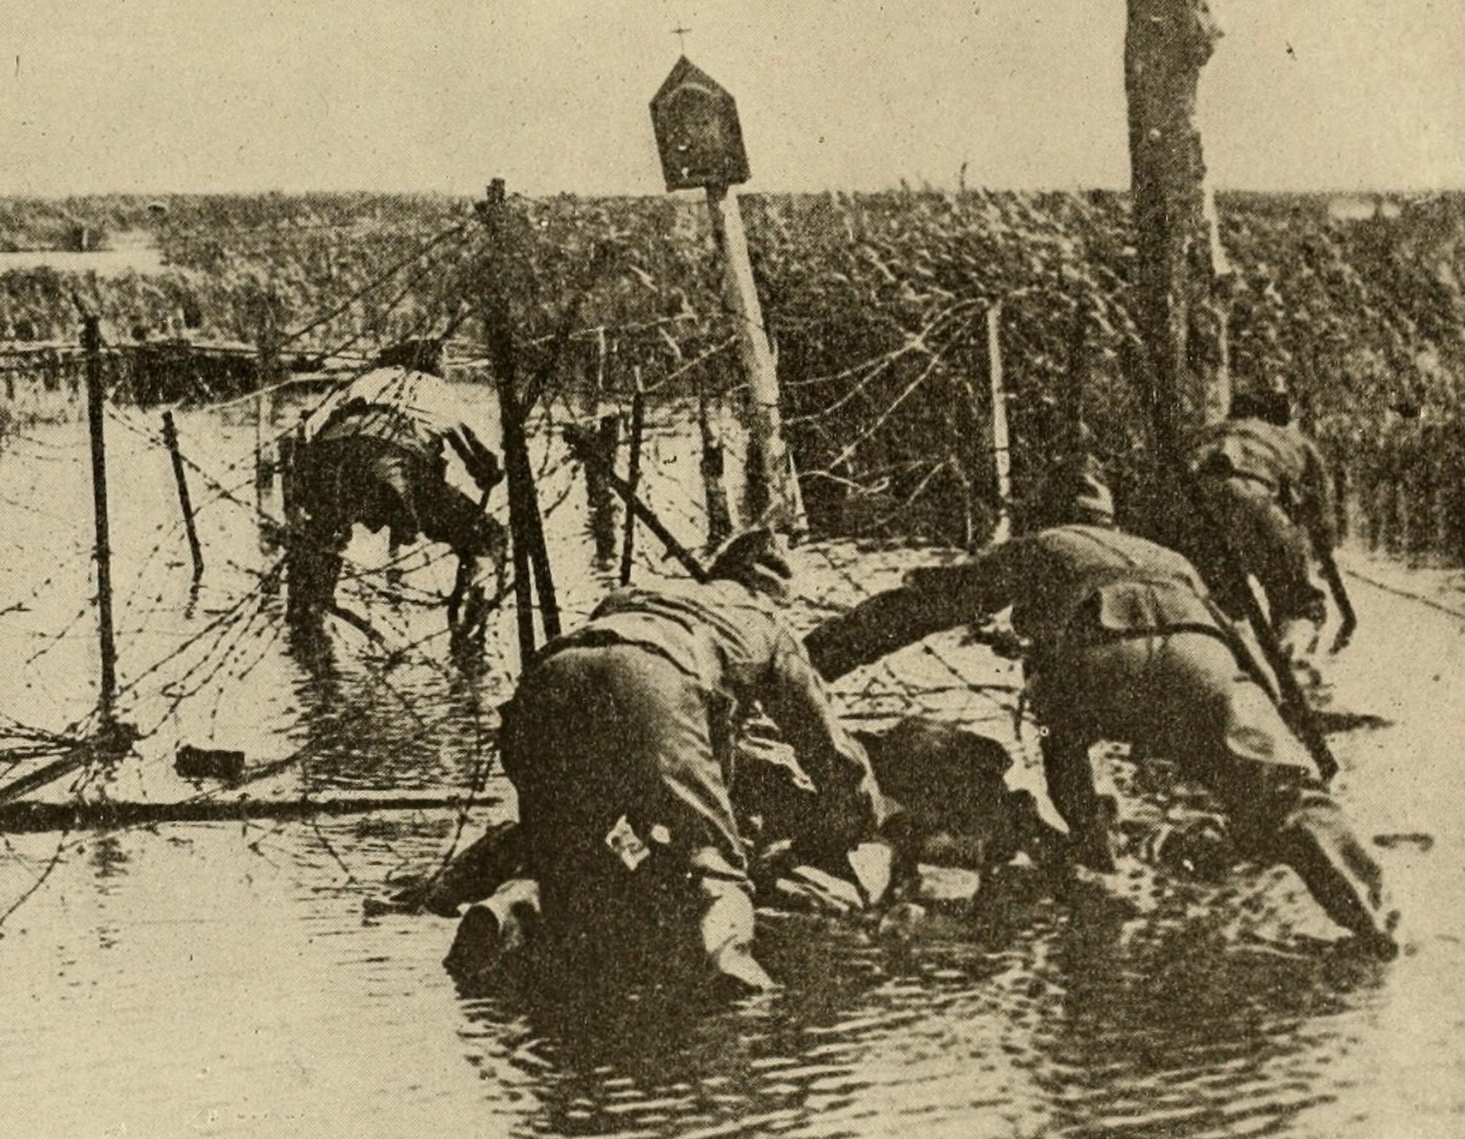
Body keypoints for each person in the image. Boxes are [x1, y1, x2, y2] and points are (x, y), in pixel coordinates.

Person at [801, 459, 1398, 955]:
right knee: (1288, 796)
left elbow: (923, 607)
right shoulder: (1169, 557)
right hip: (1204, 663)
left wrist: (807, 663)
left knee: (1066, 740)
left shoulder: (1040, 545)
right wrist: (1278, 726)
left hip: (1101, 663)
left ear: (1042, 514)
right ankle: (1376, 925)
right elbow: (1245, 653)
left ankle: (1097, 869)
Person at [497, 528, 897, 995]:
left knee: (568, 854)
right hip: (654, 681)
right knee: (716, 867)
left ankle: (501, 915)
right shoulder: (766, 623)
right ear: (772, 591)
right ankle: (731, 963)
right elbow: (824, 744)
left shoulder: (637, 593)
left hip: (547, 684)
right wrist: (862, 814)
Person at [285, 338, 506, 628]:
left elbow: (310, 429)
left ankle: (306, 620)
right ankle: (470, 631)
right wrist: (489, 473)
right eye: (445, 360)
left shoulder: (365, 380)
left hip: (327, 464)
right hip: (392, 465)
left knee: (322, 536)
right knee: (489, 536)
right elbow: (481, 460)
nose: (447, 367)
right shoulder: (438, 390)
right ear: (433, 362)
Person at [1188, 390, 1355, 654]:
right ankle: (1294, 653)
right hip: (1255, 502)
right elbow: (1321, 513)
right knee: (1299, 604)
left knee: (1216, 601)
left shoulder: (1206, 433)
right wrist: (1323, 546)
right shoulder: (1289, 438)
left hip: (1196, 511)